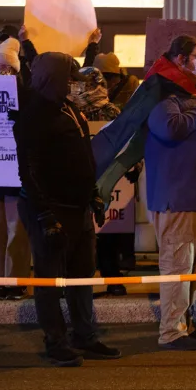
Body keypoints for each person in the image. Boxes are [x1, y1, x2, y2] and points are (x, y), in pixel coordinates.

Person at [13, 53, 120, 366]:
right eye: (70, 79)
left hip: (78, 207)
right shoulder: (33, 114)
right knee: (50, 278)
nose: (75, 85)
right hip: (49, 208)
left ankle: (84, 336)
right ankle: (55, 341)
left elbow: (84, 156)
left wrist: (93, 195)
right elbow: (28, 170)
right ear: (53, 78)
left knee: (82, 275)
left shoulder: (70, 109)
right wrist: (45, 215)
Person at [145, 36, 196, 351]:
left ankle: (186, 324)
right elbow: (170, 128)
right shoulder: (164, 94)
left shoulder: (191, 95)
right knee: (178, 267)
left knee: (193, 270)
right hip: (178, 200)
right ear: (180, 59)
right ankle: (171, 332)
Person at [68, 67, 131, 296]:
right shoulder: (70, 111)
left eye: (84, 84)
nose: (80, 88)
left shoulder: (111, 112)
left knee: (108, 234)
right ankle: (77, 283)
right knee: (80, 236)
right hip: (81, 181)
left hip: (109, 181)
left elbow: (127, 141)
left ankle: (112, 277)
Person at [0, 37, 30, 301]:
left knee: (17, 230)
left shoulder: (25, 97)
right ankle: (1, 280)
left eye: (5, 68)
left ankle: (16, 281)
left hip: (15, 174)